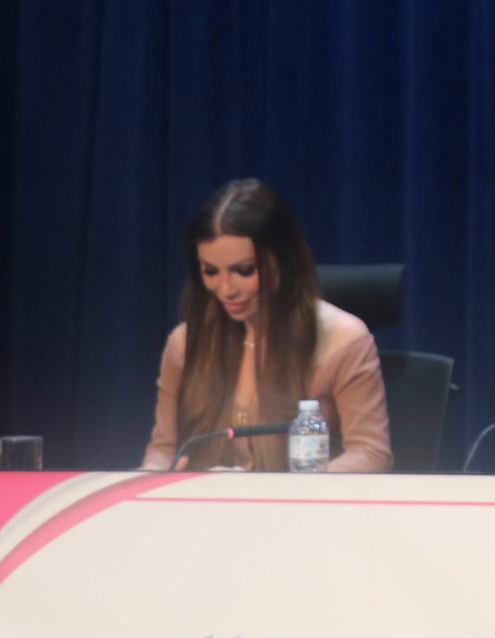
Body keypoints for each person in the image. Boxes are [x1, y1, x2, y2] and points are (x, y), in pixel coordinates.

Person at [142, 179, 393, 472]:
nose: (226, 289)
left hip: (302, 512)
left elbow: (371, 453)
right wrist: (152, 481)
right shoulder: (184, 344)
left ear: (283, 261)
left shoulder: (344, 340)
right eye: (210, 271)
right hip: (205, 510)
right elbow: (163, 449)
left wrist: (285, 491)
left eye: (244, 271)